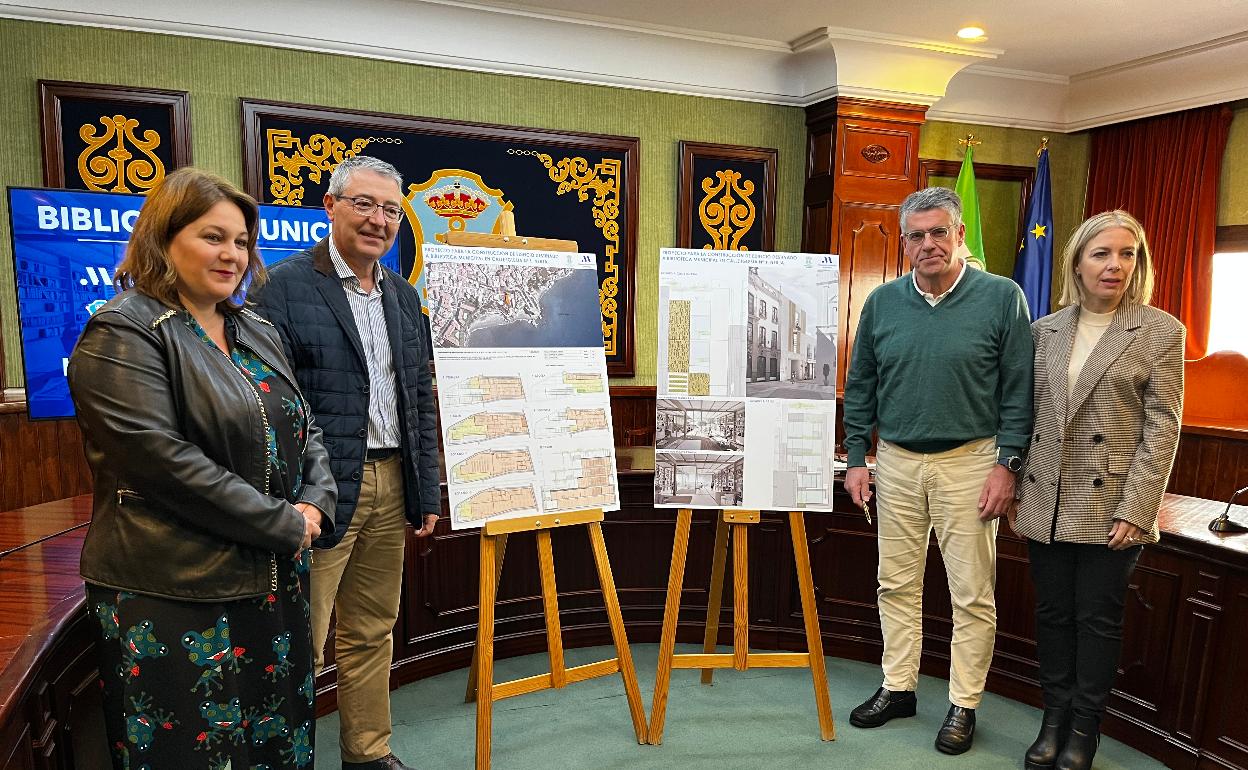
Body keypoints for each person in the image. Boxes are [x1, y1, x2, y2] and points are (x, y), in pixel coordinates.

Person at [69, 168, 337, 769]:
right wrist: (284, 523)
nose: (232, 254)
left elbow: (304, 425)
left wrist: (316, 502)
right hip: (175, 591)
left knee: (276, 746)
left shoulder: (256, 328)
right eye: (213, 237)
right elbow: (161, 463)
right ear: (164, 240)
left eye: (242, 241)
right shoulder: (124, 329)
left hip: (271, 583)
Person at [251, 155, 439, 770]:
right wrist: (298, 491)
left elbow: (418, 397)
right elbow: (270, 403)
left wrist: (427, 491)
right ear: (330, 207)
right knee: (302, 639)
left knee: (372, 630)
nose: (377, 219)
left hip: (393, 483)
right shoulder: (282, 288)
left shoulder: (405, 298)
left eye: (390, 209)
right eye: (363, 203)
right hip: (321, 493)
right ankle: (287, 757)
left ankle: (367, 753)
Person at [842, 186, 1034, 755]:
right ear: (903, 243)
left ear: (960, 236)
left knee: (971, 593)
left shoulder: (1002, 297)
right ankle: (898, 686)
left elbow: (1019, 390)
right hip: (896, 460)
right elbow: (862, 387)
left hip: (971, 461)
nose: (929, 244)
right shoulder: (881, 302)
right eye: (917, 235)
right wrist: (857, 457)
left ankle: (963, 702)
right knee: (895, 583)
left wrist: (1008, 465)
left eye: (938, 233)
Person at [1010, 210, 1183, 770]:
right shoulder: (1044, 330)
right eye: (1101, 254)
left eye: (1127, 254)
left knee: (1099, 621)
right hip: (1046, 500)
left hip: (1112, 506)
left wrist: (1139, 506)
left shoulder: (1160, 330)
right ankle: (1052, 718)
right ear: (1077, 263)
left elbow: (1163, 426)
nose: (1115, 265)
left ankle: (1085, 730)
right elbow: (1025, 413)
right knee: (1053, 616)